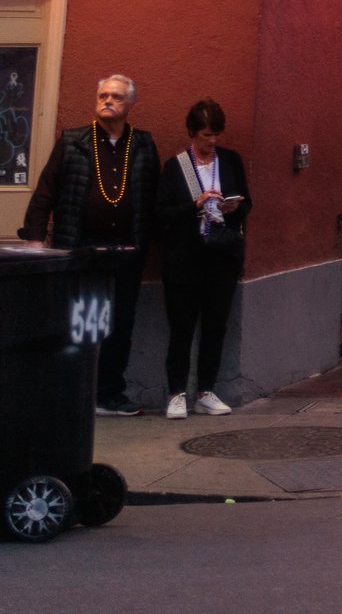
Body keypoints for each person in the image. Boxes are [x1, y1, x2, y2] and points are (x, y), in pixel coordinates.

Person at [21, 74, 159, 415]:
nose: (107, 101)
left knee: (120, 324)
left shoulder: (142, 144)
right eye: (102, 95)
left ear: (130, 104)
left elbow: (154, 197)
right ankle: (76, 394)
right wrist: (36, 240)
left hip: (126, 252)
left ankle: (110, 394)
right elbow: (46, 192)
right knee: (81, 323)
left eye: (115, 96)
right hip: (82, 249)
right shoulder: (73, 141)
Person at [158, 98, 248, 418]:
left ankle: (206, 391)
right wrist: (195, 204)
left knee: (215, 327)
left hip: (221, 257)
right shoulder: (176, 166)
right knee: (182, 328)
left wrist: (233, 206)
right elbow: (162, 213)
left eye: (216, 135)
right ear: (192, 133)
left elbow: (248, 202)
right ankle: (176, 393)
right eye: (206, 135)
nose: (212, 141)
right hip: (185, 259)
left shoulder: (231, 161)